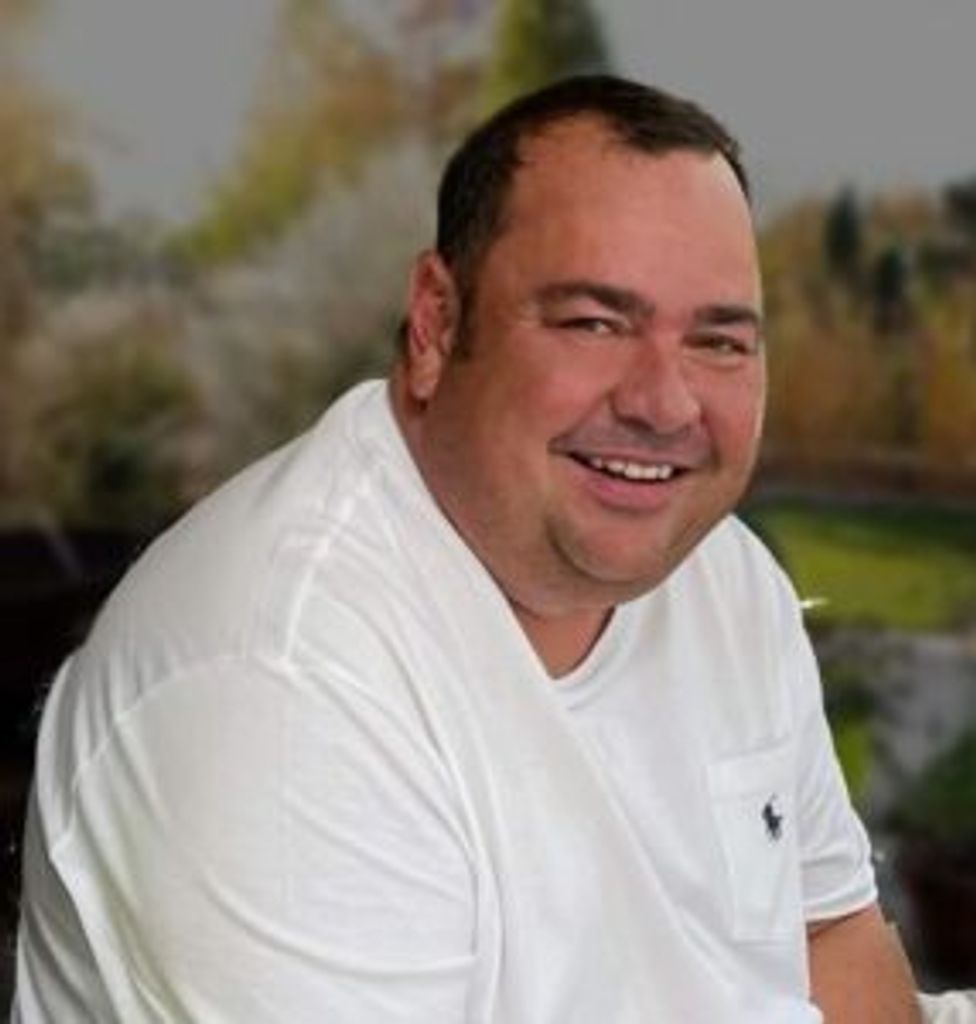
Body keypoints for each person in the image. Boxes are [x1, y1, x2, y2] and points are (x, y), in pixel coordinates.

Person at [12, 75, 922, 1023]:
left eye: (719, 342)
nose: (663, 401)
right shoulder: (280, 682)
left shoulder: (724, 581)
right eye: (594, 322)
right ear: (437, 324)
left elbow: (827, 934)